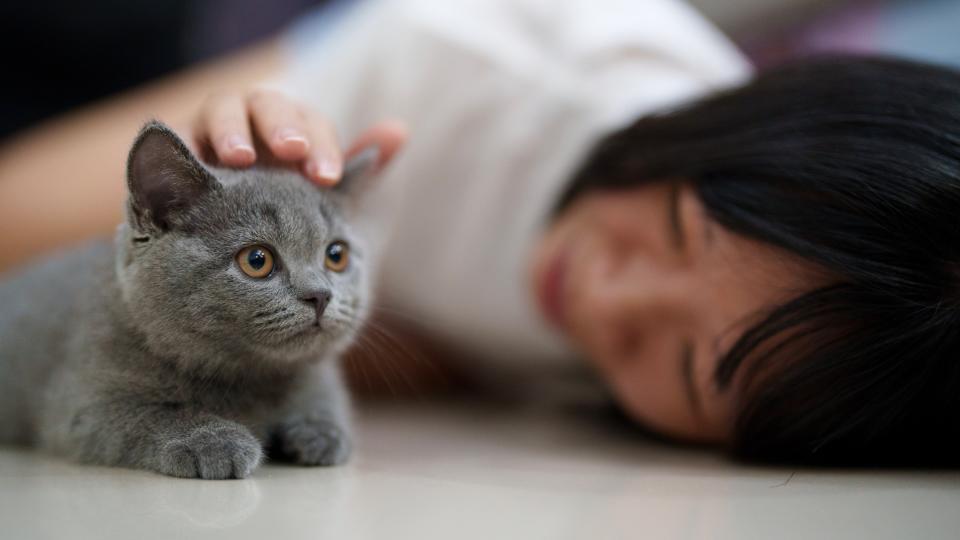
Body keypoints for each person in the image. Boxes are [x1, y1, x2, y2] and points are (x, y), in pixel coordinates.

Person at [1, 0, 958, 465]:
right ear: (728, 117)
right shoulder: (465, 62)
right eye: (671, 226)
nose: (599, 293)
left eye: (678, 360)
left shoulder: (818, 363)